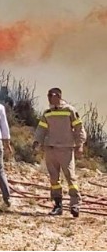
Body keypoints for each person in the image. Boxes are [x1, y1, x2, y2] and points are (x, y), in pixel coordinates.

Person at [32, 88, 87, 217]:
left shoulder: (69, 111)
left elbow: (79, 128)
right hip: (50, 149)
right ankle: (58, 205)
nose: (49, 99)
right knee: (54, 179)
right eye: (48, 96)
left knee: (70, 177)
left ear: (58, 96)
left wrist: (80, 145)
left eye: (51, 96)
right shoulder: (47, 113)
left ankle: (75, 205)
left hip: (66, 149)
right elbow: (41, 129)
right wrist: (37, 141)